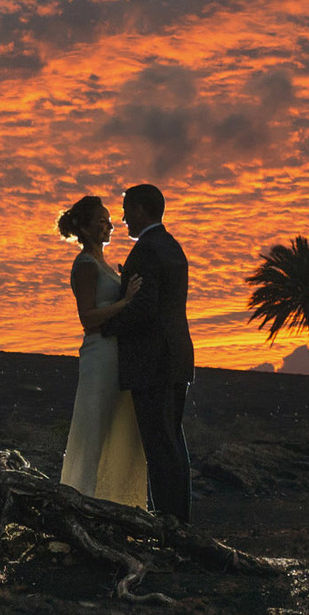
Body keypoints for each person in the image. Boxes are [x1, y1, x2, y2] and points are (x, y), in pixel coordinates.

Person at [98, 181, 195, 523]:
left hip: (152, 363)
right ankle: (180, 522)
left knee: (160, 448)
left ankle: (172, 527)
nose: (123, 218)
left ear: (141, 209)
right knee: (173, 445)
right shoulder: (172, 247)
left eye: (127, 211)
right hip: (177, 358)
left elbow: (144, 308)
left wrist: (105, 328)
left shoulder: (146, 251)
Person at [54, 195, 150, 507]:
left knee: (117, 430)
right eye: (101, 220)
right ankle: (81, 504)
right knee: (93, 429)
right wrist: (125, 301)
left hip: (117, 356)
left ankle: (114, 503)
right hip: (99, 356)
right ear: (83, 227)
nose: (109, 225)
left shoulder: (104, 263)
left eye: (109, 219)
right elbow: (87, 318)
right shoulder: (84, 265)